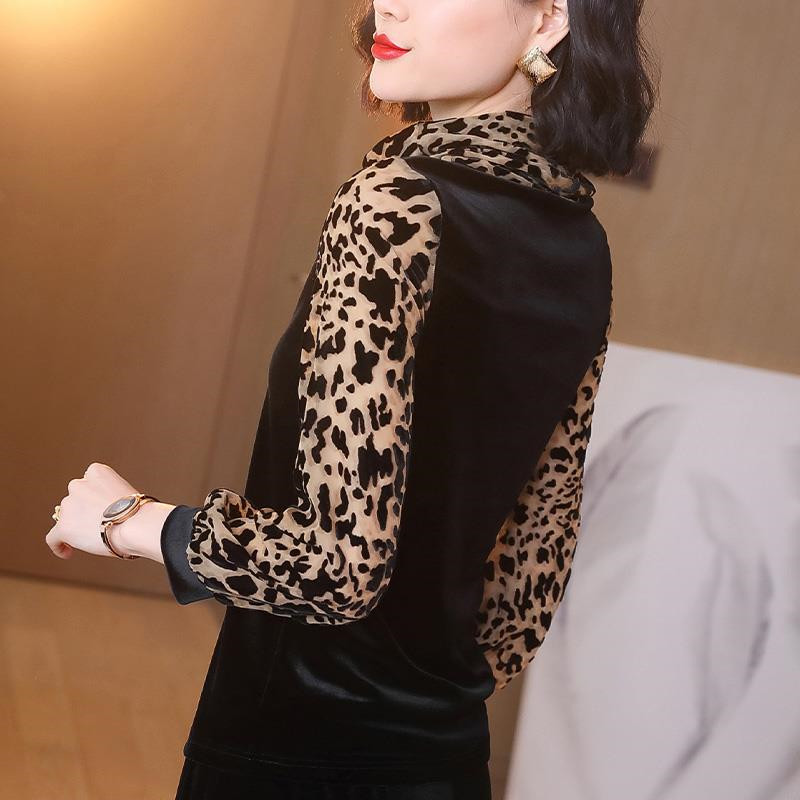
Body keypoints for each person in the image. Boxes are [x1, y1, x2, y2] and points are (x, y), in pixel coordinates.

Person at [46, 0, 657, 797]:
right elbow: (525, 592)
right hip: (445, 759)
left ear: (548, 19)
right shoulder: (580, 240)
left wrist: (132, 522)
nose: (388, 4)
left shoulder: (394, 203)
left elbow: (336, 567)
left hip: (293, 748)